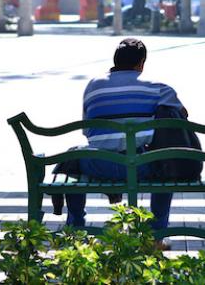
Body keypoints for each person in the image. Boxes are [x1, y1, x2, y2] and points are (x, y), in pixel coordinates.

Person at [64, 37, 184, 232]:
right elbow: (180, 116)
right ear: (141, 63)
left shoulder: (93, 86)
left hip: (98, 165)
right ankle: (156, 233)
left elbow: (88, 132)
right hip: (142, 167)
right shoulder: (158, 88)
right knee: (165, 164)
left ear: (115, 61)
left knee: (73, 159)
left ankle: (75, 227)